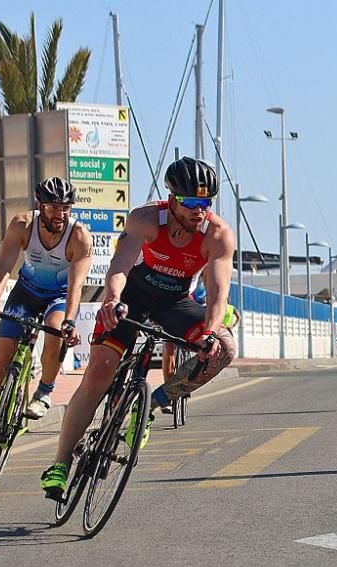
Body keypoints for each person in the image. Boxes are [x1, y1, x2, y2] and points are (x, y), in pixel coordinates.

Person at [39, 157, 236, 498]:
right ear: (172, 199)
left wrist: (209, 331)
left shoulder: (217, 234)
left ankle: (149, 407)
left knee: (224, 349)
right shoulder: (145, 219)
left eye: (205, 203)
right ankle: (59, 464)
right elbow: (120, 264)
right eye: (190, 202)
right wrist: (112, 299)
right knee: (99, 371)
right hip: (132, 294)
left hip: (174, 302)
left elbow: (218, 291)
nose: (199, 211)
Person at [0, 178, 92, 467]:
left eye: (66, 208)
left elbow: (76, 286)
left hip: (58, 296)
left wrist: (70, 321)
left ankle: (44, 390)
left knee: (56, 329)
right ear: (39, 205)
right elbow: (5, 265)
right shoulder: (22, 225)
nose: (60, 214)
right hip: (26, 293)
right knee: (0, 364)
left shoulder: (79, 236)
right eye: (54, 207)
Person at [160, 273, 239, 413]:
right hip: (177, 309)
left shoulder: (206, 282)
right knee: (169, 348)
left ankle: (188, 379)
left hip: (199, 312)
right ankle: (168, 394)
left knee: (208, 347)